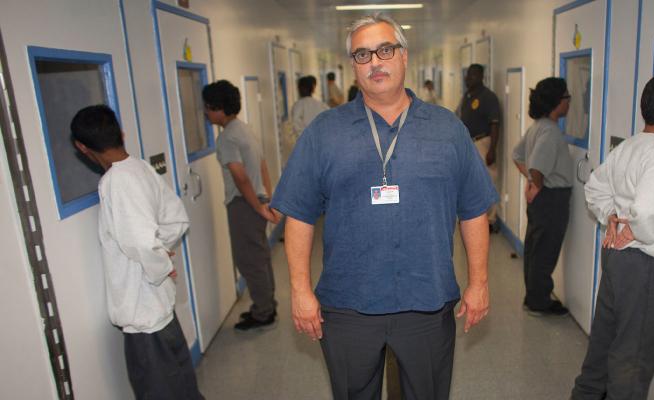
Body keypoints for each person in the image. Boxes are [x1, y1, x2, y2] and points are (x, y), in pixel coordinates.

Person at [271, 12, 497, 400]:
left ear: (404, 56)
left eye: (385, 50)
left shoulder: (447, 130)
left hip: (426, 302)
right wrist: (300, 291)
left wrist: (479, 283)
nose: (375, 62)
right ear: (353, 66)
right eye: (362, 55)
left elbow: (474, 209)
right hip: (347, 305)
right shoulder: (325, 132)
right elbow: (300, 215)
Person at [571, 73, 654, 399]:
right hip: (644, 266)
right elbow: (650, 211)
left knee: (603, 343)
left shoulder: (627, 147)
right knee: (634, 356)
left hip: (615, 260)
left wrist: (611, 217)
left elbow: (595, 187)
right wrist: (633, 231)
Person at [70, 105, 203, 400]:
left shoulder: (116, 181)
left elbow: (140, 241)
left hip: (144, 312)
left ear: (82, 147)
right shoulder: (140, 167)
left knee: (158, 389)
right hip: (160, 306)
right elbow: (176, 218)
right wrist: (162, 252)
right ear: (122, 134)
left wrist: (159, 263)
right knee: (180, 381)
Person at [202, 80, 281, 331]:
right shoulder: (245, 129)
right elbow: (262, 164)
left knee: (248, 260)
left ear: (219, 108)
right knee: (260, 256)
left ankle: (263, 312)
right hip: (256, 200)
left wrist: (257, 208)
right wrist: (267, 199)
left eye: (208, 107)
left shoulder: (227, 137)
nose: (205, 112)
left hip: (243, 204)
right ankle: (266, 303)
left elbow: (240, 176)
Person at [512, 77, 573, 317]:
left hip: (544, 198)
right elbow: (537, 166)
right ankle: (539, 301)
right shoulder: (549, 130)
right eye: (567, 98)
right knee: (545, 251)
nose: (569, 103)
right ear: (557, 102)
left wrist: (531, 181)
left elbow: (518, 155)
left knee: (536, 249)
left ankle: (534, 297)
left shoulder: (538, 126)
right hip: (551, 199)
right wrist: (535, 183)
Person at [457, 63, 501, 232]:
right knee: (469, 180)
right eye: (468, 75)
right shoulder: (468, 95)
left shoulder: (488, 97)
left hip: (483, 143)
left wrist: (492, 149)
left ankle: (490, 220)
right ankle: (474, 216)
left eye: (472, 75)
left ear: (481, 77)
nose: (468, 78)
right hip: (468, 143)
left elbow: (495, 124)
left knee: (487, 180)